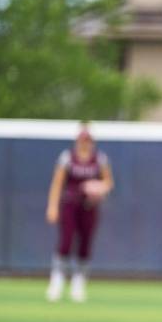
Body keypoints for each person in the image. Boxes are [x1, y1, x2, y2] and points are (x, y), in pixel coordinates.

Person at [44, 123, 114, 303]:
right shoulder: (68, 158)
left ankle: (79, 281)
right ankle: (57, 279)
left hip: (89, 207)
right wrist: (52, 206)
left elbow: (108, 182)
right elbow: (57, 183)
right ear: (77, 141)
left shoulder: (100, 159)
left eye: (88, 140)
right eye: (82, 140)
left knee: (85, 243)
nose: (85, 143)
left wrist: (98, 187)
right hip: (70, 204)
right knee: (66, 241)